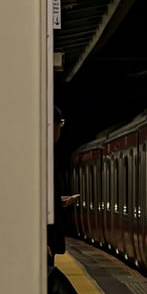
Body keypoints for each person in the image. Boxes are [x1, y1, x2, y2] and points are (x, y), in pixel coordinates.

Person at [47, 106, 79, 268]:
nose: (60, 130)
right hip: (46, 244)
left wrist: (58, 202)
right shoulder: (42, 157)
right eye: (60, 124)